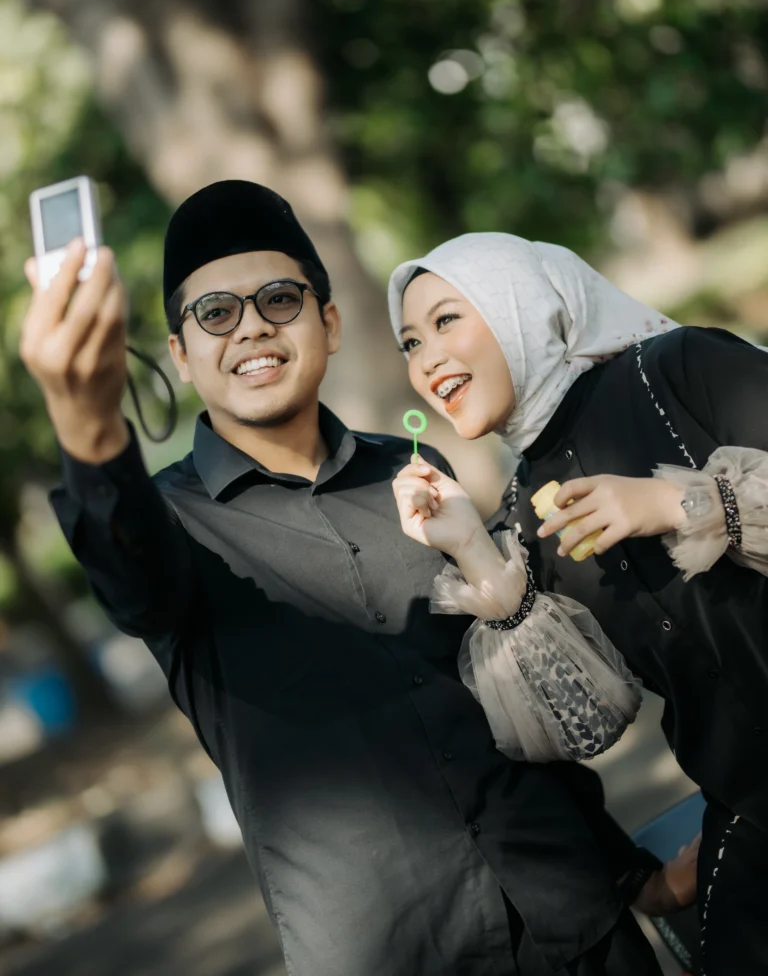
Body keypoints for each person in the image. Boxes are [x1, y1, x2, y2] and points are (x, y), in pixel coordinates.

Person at [19, 181, 676, 976]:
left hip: (575, 921)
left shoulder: (413, 470)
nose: (252, 324)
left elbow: (502, 693)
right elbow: (127, 575)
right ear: (183, 356)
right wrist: (86, 423)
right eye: (216, 313)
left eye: (279, 299)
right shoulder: (167, 525)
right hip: (391, 952)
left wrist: (625, 872)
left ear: (328, 324)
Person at [388, 230, 768, 976]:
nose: (425, 359)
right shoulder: (524, 514)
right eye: (407, 342)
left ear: (520, 308)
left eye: (445, 321)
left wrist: (676, 501)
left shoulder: (682, 368)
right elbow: (584, 722)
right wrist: (474, 553)